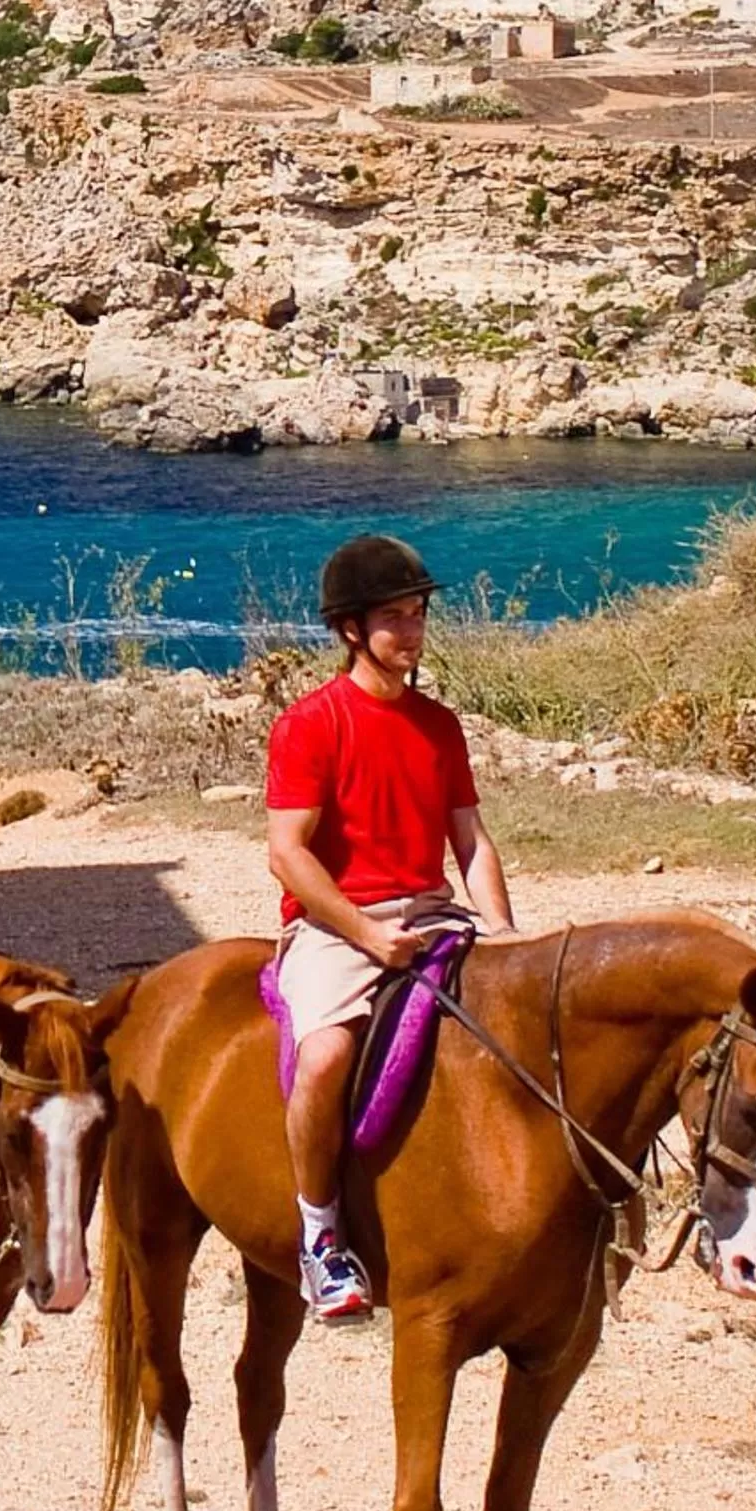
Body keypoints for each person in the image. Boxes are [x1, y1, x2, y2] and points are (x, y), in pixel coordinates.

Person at [265, 535, 514, 1320]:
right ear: (349, 629)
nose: (410, 632)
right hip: (336, 926)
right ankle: (320, 1234)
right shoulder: (310, 724)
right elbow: (287, 855)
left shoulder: (439, 725)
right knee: (325, 1056)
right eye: (392, 618)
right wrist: (367, 938)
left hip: (430, 909)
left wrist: (503, 931)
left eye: (416, 615)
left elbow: (469, 840)